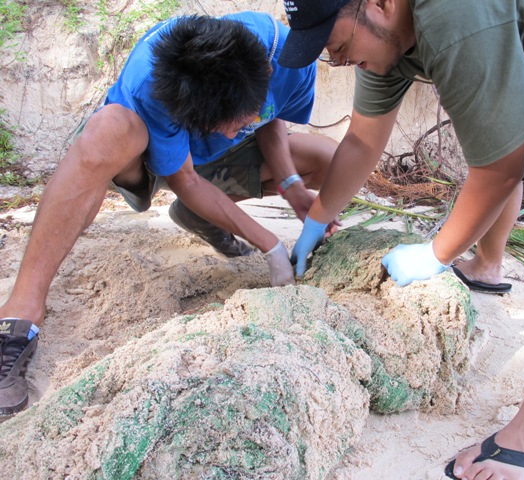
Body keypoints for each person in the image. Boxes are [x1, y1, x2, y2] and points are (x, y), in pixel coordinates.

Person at [277, 0, 524, 479]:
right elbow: (364, 141)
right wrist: (318, 218)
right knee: (491, 134)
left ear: (380, 4)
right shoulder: (387, 40)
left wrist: (436, 252)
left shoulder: (449, 14)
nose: (340, 61)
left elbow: (499, 167)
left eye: (339, 45)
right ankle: (488, 265)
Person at [0, 12, 339, 417]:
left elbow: (269, 120)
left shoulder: (292, 56)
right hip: (145, 159)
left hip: (215, 161)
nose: (235, 130)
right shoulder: (155, 79)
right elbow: (188, 181)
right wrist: (269, 244)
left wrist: (291, 186)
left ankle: (201, 218)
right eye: (229, 124)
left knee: (329, 159)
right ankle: (19, 316)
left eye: (237, 121)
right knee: (110, 129)